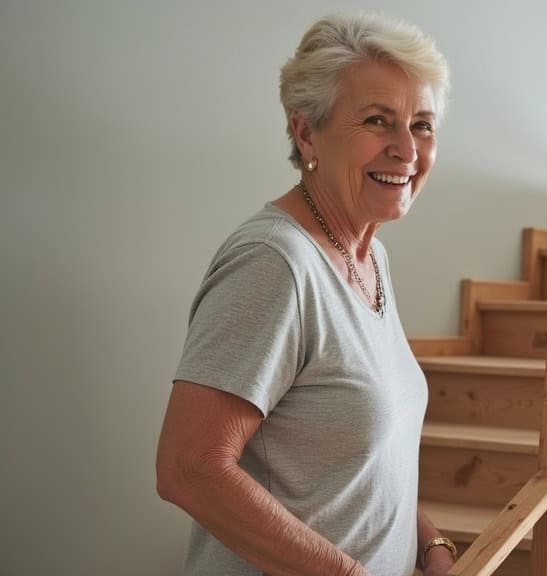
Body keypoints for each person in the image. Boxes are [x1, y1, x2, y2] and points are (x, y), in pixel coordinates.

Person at [156, 13, 456, 576]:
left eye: (422, 124)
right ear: (306, 132)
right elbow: (188, 468)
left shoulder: (370, 255)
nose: (408, 151)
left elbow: (358, 467)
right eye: (377, 120)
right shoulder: (274, 264)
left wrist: (431, 546)